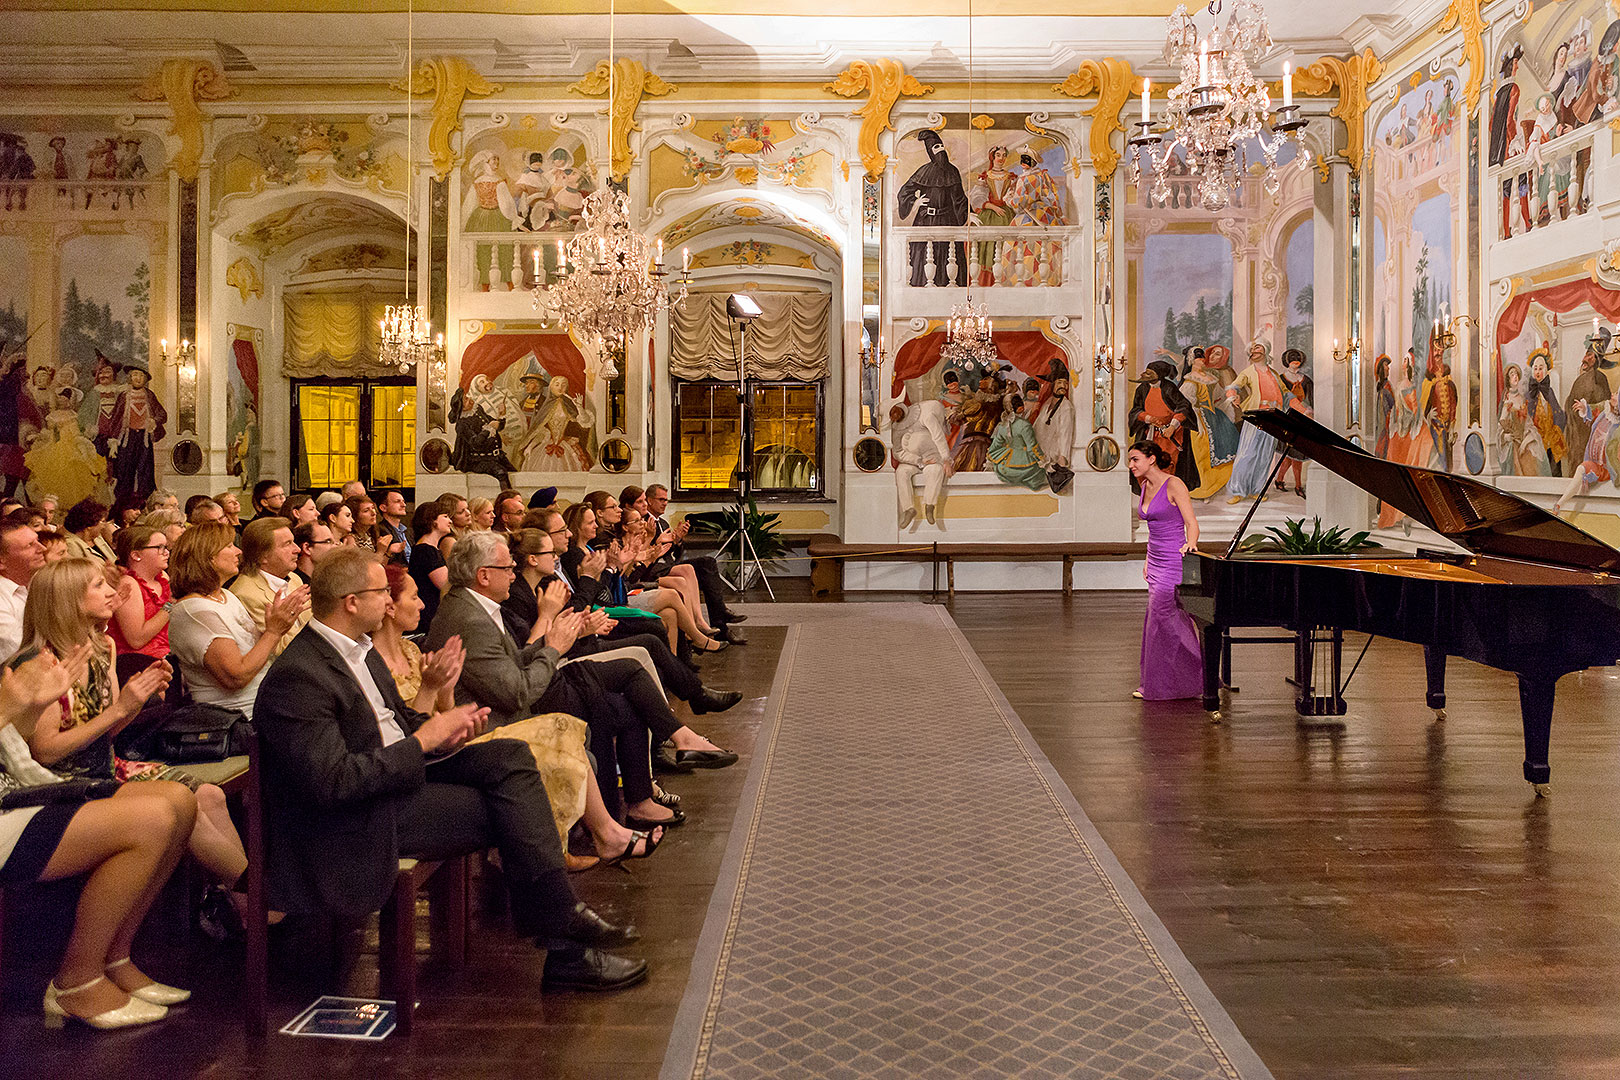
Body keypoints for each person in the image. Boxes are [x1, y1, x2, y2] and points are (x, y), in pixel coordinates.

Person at [254, 547, 648, 991]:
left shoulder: (358, 651)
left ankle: (561, 925)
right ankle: (564, 942)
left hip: (396, 774)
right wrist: (424, 739)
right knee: (506, 810)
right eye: (383, 591)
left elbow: (397, 724)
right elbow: (334, 782)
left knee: (511, 756)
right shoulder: (300, 674)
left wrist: (444, 729)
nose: (390, 600)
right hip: (357, 818)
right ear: (351, 602)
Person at [425, 533, 734, 823]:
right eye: (507, 568)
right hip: (501, 720)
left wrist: (553, 642)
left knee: (626, 699)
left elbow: (513, 662)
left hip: (533, 683)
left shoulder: (477, 607)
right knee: (615, 686)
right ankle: (670, 752)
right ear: (483, 575)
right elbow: (518, 692)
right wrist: (554, 645)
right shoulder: (470, 617)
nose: (512, 573)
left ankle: (640, 795)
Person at [374, 562, 660, 873]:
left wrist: (446, 691)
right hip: (431, 759)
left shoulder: (411, 651)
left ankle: (608, 829)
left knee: (588, 711)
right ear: (389, 606)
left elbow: (445, 709)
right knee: (580, 712)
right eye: (414, 597)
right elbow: (409, 732)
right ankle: (598, 835)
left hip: (456, 737)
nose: (423, 603)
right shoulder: (387, 657)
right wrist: (551, 639)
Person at [0, 647, 197, 1030]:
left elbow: (18, 754)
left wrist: (31, 707)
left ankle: (114, 957)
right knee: (150, 819)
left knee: (180, 801)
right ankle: (77, 982)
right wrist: (8, 707)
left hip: (18, 794)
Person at [167, 522, 307, 719]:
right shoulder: (194, 610)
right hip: (239, 719)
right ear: (208, 557)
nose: (239, 551)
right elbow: (236, 676)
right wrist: (274, 631)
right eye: (229, 546)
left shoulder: (225, 596)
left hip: (267, 704)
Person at [1126, 441, 1203, 700]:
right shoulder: (1144, 485)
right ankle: (1166, 683)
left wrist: (1190, 543)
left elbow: (1191, 522)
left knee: (1164, 617)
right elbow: (1153, 531)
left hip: (1173, 559)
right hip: (1155, 559)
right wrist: (1148, 559)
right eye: (1130, 460)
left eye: (1135, 459)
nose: (1131, 465)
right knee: (1157, 619)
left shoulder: (1174, 484)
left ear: (1151, 459)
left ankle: (1187, 680)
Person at [644, 484, 747, 642]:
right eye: (661, 500)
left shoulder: (663, 523)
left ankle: (719, 622)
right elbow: (647, 553)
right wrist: (657, 542)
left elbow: (675, 555)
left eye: (666, 500)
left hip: (668, 565)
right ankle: (711, 621)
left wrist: (678, 541)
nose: (665, 503)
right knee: (691, 569)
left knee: (708, 563)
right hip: (654, 568)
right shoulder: (644, 522)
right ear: (649, 501)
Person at [897, 129, 969, 287]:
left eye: (941, 146)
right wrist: (914, 203)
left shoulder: (953, 171)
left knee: (948, 259)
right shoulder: (924, 171)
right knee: (924, 259)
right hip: (926, 220)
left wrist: (969, 213)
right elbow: (905, 191)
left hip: (948, 220)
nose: (940, 150)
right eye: (936, 148)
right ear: (930, 151)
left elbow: (959, 198)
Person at [228, 517, 305, 655]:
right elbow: (280, 650)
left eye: (293, 542)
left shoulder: (294, 578)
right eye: (287, 544)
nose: (297, 549)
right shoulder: (246, 594)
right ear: (262, 556)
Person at [1223, 342, 1287, 503]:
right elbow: (1234, 386)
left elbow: (1286, 394)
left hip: (1273, 417)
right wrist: (1233, 395)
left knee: (1265, 455)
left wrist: (1302, 408)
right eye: (1252, 349)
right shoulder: (1248, 372)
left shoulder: (1274, 374)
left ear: (1265, 351)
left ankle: (1256, 489)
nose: (1254, 351)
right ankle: (1238, 490)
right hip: (1256, 415)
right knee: (1247, 453)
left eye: (1257, 348)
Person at [106, 359, 166, 508]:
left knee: (145, 470)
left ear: (145, 379)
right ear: (130, 378)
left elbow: (162, 414)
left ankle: (144, 502)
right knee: (125, 469)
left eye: (140, 375)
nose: (137, 378)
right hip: (127, 438)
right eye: (134, 375)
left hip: (144, 438)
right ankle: (123, 503)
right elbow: (116, 418)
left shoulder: (149, 395)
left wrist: (154, 420)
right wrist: (114, 439)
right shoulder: (124, 396)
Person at [108, 526, 171, 664]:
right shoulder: (128, 584)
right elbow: (136, 640)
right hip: (139, 662)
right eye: (160, 547)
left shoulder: (163, 578)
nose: (166, 552)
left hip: (167, 656)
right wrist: (170, 606)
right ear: (136, 555)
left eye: (166, 547)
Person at [890, 400, 954, 529]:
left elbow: (938, 437)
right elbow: (897, 451)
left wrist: (946, 459)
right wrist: (917, 460)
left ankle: (930, 506)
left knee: (935, 470)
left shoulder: (925, 414)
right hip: (913, 461)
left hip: (932, 457)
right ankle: (908, 509)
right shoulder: (896, 428)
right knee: (901, 472)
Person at [0, 516, 45, 662]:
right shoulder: (2, 600)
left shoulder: (37, 583)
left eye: (38, 540)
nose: (42, 548)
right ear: (2, 561)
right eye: (30, 545)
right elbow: (24, 654)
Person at [988, 394, 1049, 490]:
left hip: (1004, 469)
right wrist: (1042, 460)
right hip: (1025, 467)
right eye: (1017, 403)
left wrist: (991, 460)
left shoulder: (1002, 425)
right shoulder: (1024, 425)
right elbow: (1032, 448)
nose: (1021, 405)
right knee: (1040, 473)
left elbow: (995, 446)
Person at [409, 501, 453, 634]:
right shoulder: (425, 550)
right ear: (432, 520)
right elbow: (446, 584)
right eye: (445, 516)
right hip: (428, 616)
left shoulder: (432, 549)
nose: (450, 521)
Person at [64, 499, 115, 564]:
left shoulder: (97, 538)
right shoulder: (71, 545)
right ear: (89, 525)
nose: (104, 526)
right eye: (102, 521)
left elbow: (113, 560)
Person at [377, 489, 412, 563]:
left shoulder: (407, 531)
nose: (404, 505)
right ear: (383, 508)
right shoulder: (380, 530)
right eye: (397, 501)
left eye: (403, 501)